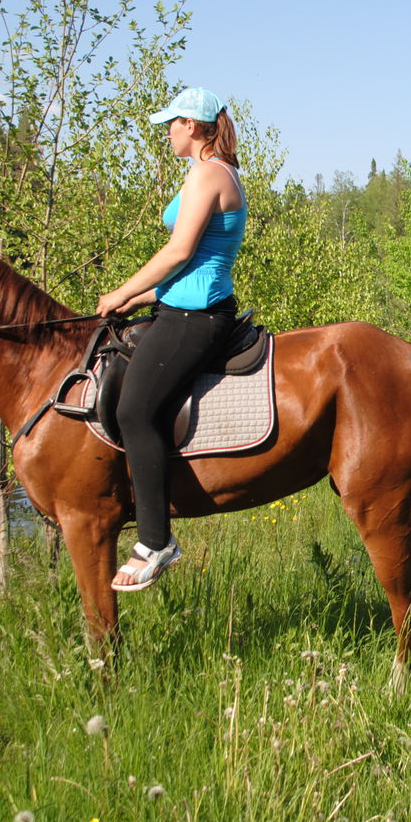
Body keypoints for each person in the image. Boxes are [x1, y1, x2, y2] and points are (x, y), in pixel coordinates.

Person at [96, 86, 247, 590]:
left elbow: (180, 250)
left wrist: (124, 289)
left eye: (172, 123)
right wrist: (142, 299)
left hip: (196, 316)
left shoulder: (209, 173)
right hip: (178, 307)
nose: (166, 132)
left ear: (195, 126)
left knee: (134, 411)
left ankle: (156, 541)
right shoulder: (204, 172)